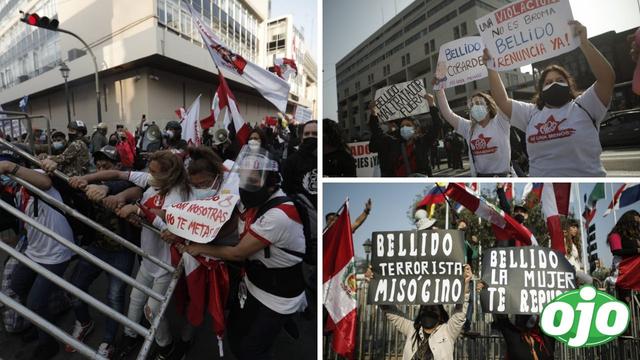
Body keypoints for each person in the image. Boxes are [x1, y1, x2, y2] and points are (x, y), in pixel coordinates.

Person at [178, 148, 307, 360]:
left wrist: (200, 248)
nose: (246, 186)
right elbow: (231, 223)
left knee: (252, 350)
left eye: (253, 180)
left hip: (278, 295)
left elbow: (238, 253)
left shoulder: (279, 215)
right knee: (236, 333)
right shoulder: (252, 201)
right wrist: (201, 234)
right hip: (253, 284)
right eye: (244, 179)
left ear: (272, 182)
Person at [69, 150, 191, 359]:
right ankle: (130, 336)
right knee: (135, 300)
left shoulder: (178, 193)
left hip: (166, 263)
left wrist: (138, 211)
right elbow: (116, 175)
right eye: (149, 170)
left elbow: (167, 214)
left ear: (168, 175)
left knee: (152, 311)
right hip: (148, 258)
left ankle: (166, 347)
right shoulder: (154, 181)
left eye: (154, 172)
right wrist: (84, 178)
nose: (149, 175)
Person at [484, 20, 615, 176]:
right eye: (548, 82)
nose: (554, 84)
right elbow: (502, 101)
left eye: (560, 80)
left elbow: (607, 78)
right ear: (541, 89)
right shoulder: (531, 113)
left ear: (569, 84)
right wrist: (491, 68)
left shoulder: (585, 106)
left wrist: (584, 43)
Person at [64, 145, 141, 358]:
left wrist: (107, 188)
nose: (99, 169)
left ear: (117, 166)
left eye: (104, 165)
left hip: (121, 252)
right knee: (74, 287)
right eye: (96, 165)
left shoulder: (127, 181)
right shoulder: (88, 185)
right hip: (96, 247)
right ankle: (84, 322)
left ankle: (108, 341)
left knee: (114, 297)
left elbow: (129, 186)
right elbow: (68, 190)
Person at [2, 157, 75, 360]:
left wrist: (8, 167)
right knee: (18, 285)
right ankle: (39, 323)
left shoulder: (36, 176)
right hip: (35, 249)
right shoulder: (15, 189)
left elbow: (45, 183)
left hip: (56, 251)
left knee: (35, 302)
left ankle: (48, 342)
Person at [364, 264, 472, 359]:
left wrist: (465, 285)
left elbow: (459, 314)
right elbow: (391, 312)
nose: (428, 312)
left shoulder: (448, 332)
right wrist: (374, 284)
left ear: (440, 314)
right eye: (425, 309)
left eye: (433, 309)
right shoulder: (412, 329)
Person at [436, 86, 513, 177]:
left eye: (478, 103)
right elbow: (448, 114)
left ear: (487, 106)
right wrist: (439, 88)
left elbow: (502, 99)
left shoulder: (500, 121)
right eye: (472, 105)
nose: (475, 107)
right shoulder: (469, 128)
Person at [369, 94, 442, 177]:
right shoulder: (395, 143)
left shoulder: (423, 142)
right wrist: (373, 113)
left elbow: (437, 125)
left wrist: (432, 105)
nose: (404, 128)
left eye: (408, 125)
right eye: (402, 126)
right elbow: (377, 133)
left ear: (416, 129)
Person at [282, 120, 317, 206]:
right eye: (307, 134)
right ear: (302, 138)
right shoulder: (291, 161)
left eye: (315, 134)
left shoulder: (329, 160)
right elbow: (286, 191)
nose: (310, 136)